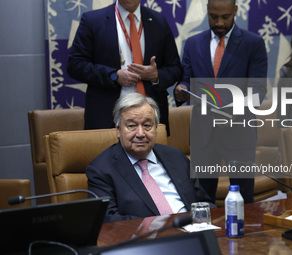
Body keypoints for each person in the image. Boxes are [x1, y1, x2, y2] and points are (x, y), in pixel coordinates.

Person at [174, 0, 267, 204]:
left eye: (225, 17)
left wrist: (237, 107)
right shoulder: (192, 43)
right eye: (213, 16)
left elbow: (258, 90)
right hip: (203, 134)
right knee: (201, 200)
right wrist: (181, 91)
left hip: (239, 133)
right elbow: (186, 80)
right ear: (207, 11)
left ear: (235, 11)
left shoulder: (253, 43)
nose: (219, 22)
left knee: (244, 200)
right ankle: (205, 236)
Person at [86, 93, 215, 223]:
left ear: (156, 129)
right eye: (132, 126)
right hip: (145, 238)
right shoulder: (101, 169)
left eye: (147, 125)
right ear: (118, 130)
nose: (140, 134)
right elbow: (108, 220)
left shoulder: (176, 157)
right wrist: (159, 226)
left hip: (194, 233)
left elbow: (204, 203)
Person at [67, 0, 182, 134]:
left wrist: (156, 76)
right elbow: (75, 65)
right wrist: (114, 76)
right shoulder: (93, 21)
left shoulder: (159, 21)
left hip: (150, 119)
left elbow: (175, 69)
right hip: (107, 117)